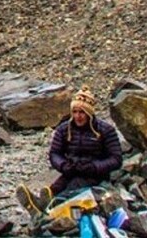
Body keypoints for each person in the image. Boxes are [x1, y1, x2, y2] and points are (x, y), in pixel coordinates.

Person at [17, 86, 122, 217]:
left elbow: (116, 159)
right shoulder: (64, 129)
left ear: (89, 113)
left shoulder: (105, 130)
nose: (78, 116)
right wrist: (63, 165)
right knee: (57, 186)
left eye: (82, 112)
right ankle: (41, 205)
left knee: (71, 190)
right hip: (71, 170)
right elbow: (54, 153)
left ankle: (46, 211)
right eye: (75, 112)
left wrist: (95, 167)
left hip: (95, 175)